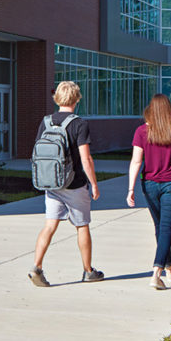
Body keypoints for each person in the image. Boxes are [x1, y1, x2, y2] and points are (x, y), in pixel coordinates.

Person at [28, 80, 104, 287]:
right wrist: (94, 184)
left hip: (51, 183)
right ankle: (88, 271)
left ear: (57, 98)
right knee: (82, 226)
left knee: (49, 226)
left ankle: (37, 266)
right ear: (77, 98)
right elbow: (86, 159)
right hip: (75, 184)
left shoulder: (45, 121)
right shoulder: (79, 124)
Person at [126, 93, 171, 288]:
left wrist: (131, 188)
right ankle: (157, 272)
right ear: (170, 110)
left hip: (150, 185)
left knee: (161, 227)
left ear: (150, 111)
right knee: (166, 227)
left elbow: (136, 161)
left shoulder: (141, 132)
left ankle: (169, 267)